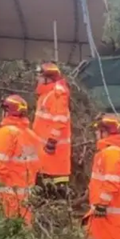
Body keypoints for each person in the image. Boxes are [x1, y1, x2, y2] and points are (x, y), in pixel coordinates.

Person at [0, 94, 41, 227]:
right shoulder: (31, 135)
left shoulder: (7, 132)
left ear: (7, 112)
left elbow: (0, 165)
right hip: (25, 196)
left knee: (5, 230)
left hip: (8, 194)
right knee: (24, 230)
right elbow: (36, 166)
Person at [32, 62, 72, 196]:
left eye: (40, 76)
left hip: (54, 150)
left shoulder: (57, 94)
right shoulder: (47, 94)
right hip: (45, 149)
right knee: (46, 182)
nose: (38, 79)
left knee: (55, 186)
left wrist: (52, 140)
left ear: (48, 78)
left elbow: (60, 119)